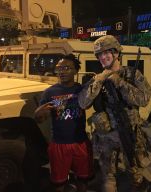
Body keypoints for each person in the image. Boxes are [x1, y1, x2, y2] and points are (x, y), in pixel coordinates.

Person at [78, 35, 151, 192]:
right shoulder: (97, 79)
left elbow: (144, 98)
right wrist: (99, 81)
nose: (103, 58)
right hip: (106, 136)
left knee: (135, 173)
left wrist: (119, 82)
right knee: (108, 174)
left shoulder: (132, 74)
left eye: (106, 53)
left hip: (129, 132)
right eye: (100, 55)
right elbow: (82, 103)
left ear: (116, 53)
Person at [34, 54, 93, 192]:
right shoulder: (49, 92)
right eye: (59, 68)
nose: (61, 71)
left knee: (83, 180)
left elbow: (89, 105)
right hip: (59, 144)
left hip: (80, 142)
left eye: (67, 68)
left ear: (75, 71)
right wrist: (39, 112)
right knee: (58, 183)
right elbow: (40, 118)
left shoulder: (82, 90)